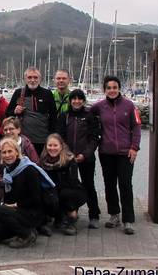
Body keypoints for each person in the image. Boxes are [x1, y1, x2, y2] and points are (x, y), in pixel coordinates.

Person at [90, 75, 141, 235]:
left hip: (126, 153)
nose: (112, 90)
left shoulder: (129, 105)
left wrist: (134, 147)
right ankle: (114, 215)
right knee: (109, 184)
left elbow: (137, 127)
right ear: (104, 90)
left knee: (125, 185)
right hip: (106, 152)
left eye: (115, 87)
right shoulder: (99, 106)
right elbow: (85, 115)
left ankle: (128, 220)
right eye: (109, 88)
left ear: (119, 88)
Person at [0, 137, 51, 249]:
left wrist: (15, 205)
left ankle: (27, 234)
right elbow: (8, 198)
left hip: (32, 212)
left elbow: (36, 199)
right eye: (4, 152)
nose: (7, 155)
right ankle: (22, 230)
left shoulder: (29, 169)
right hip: (16, 212)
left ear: (17, 152)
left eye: (10, 151)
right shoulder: (7, 171)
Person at [57, 88, 101, 228]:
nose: (76, 101)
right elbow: (60, 137)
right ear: (70, 101)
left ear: (83, 101)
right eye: (74, 99)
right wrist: (68, 154)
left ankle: (94, 215)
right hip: (68, 159)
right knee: (68, 187)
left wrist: (85, 154)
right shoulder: (64, 116)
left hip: (86, 158)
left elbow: (94, 139)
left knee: (89, 186)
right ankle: (69, 213)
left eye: (79, 99)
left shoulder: (90, 116)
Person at [39, 133, 87, 236]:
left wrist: (55, 190)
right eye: (50, 145)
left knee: (65, 194)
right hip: (52, 190)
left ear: (61, 146)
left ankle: (71, 219)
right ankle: (56, 217)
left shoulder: (70, 159)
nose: (52, 148)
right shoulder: (43, 160)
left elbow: (72, 181)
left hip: (71, 190)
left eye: (55, 145)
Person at [6, 67, 57, 156]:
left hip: (42, 140)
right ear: (25, 79)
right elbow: (7, 114)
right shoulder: (18, 93)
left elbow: (53, 116)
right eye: (29, 77)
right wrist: (15, 111)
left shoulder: (47, 94)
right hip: (22, 139)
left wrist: (51, 137)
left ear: (40, 79)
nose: (32, 80)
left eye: (35, 77)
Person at [0, 117, 39, 204]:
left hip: (24, 185)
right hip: (4, 184)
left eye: (11, 129)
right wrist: (3, 181)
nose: (8, 132)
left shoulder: (27, 145)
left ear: (18, 130)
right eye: (5, 129)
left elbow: (36, 164)